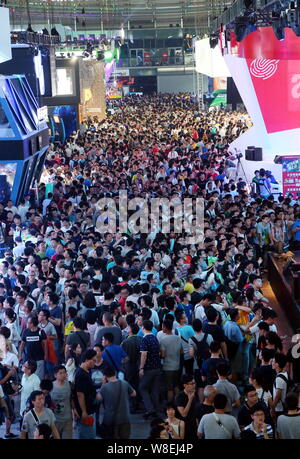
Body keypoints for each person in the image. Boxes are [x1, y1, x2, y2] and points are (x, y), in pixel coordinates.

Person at [98, 364, 136, 439]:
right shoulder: (124, 383)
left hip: (110, 421)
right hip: (125, 419)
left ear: (105, 376)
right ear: (115, 373)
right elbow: (134, 394)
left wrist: (103, 384)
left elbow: (97, 399)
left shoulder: (105, 387)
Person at [139, 319, 162, 418]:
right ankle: (157, 410)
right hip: (157, 367)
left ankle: (150, 409)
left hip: (148, 368)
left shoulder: (144, 339)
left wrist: (141, 367)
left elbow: (144, 354)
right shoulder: (155, 338)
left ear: (143, 327)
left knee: (142, 388)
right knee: (155, 390)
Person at [73, 349, 97, 439]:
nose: (95, 363)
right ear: (87, 360)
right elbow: (80, 394)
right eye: (93, 360)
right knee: (87, 435)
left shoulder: (87, 371)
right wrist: (84, 411)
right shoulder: (81, 375)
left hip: (89, 408)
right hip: (86, 411)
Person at [19, 314, 48, 380]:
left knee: (39, 377)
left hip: (39, 358)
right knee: (28, 376)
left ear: (32, 324)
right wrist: (20, 355)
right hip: (29, 359)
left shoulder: (41, 332)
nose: (27, 324)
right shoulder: (26, 332)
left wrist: (46, 355)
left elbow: (45, 344)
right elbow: (22, 344)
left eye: (28, 323)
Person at [159, 319, 182, 402]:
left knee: (169, 388)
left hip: (168, 367)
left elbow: (163, 355)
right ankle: (180, 402)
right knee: (176, 386)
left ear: (165, 327)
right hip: (177, 365)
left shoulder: (163, 340)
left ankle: (170, 405)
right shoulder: (178, 338)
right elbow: (181, 351)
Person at [50, 364, 73, 439]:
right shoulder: (51, 386)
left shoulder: (69, 385)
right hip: (55, 420)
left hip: (67, 419)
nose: (63, 375)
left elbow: (72, 399)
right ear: (55, 375)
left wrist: (74, 410)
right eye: (60, 373)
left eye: (64, 372)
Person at [175, 374, 198, 440]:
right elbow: (184, 414)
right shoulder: (179, 397)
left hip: (193, 424)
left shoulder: (193, 393)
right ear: (185, 385)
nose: (194, 385)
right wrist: (190, 400)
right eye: (192, 383)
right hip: (184, 426)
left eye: (194, 383)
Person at [271, 353, 289, 421]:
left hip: (279, 409)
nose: (271, 362)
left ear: (277, 364)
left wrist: (272, 409)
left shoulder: (279, 378)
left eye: (273, 361)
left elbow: (278, 396)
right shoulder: (285, 373)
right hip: (283, 407)